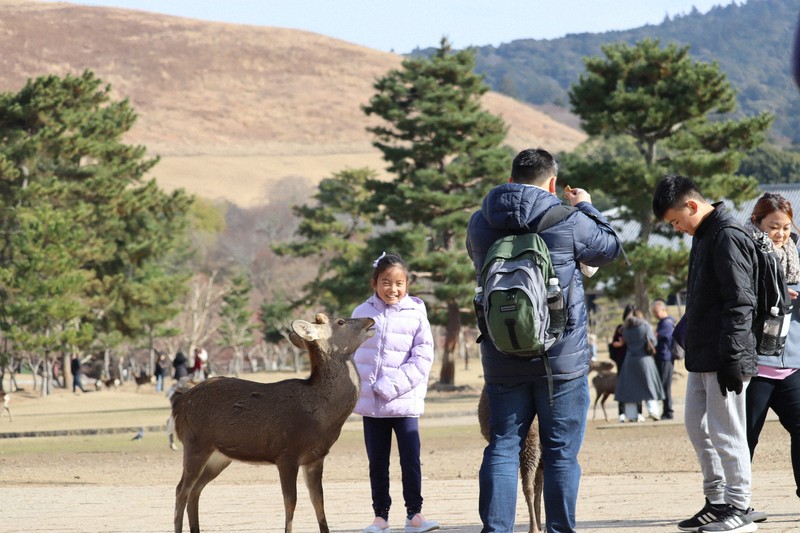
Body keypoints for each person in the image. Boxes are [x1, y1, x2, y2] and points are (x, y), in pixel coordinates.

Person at [466, 147, 622, 533]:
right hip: (561, 359)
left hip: (502, 357)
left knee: (502, 448)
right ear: (552, 182)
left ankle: (496, 529)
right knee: (560, 454)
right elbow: (610, 247)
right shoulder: (567, 218)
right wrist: (586, 206)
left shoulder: (480, 223)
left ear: (510, 179)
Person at [652, 174, 759, 533]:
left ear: (692, 205)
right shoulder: (704, 234)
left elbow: (741, 301)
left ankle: (740, 506)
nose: (677, 228)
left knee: (726, 431)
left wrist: (732, 356)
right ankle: (717, 501)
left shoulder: (727, 234)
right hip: (701, 355)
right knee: (698, 428)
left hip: (724, 355)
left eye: (676, 220)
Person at [351, 252, 439, 533]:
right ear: (374, 283)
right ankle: (380, 516)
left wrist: (388, 387)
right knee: (377, 463)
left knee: (410, 460)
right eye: (386, 282)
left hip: (404, 403)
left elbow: (423, 359)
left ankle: (415, 514)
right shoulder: (360, 314)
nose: (393, 289)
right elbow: (349, 356)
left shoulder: (416, 314)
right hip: (372, 406)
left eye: (399, 283)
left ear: (407, 284)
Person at [745, 192, 800, 519]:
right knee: (745, 438)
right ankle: (736, 501)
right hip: (755, 366)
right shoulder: (746, 252)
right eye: (773, 226)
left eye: (785, 227)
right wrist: (774, 293)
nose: (779, 233)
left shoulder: (796, 254)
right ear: (757, 222)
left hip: (792, 363)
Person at [613, 308, 664, 422]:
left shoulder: (625, 328)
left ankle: (631, 415)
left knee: (630, 388)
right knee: (649, 386)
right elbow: (653, 342)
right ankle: (653, 411)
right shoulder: (645, 326)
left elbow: (623, 340)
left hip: (629, 360)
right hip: (644, 359)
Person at [609, 304, 638, 422]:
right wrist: (618, 344)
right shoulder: (620, 328)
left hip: (635, 359)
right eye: (628, 315)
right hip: (622, 360)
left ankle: (637, 412)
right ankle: (621, 413)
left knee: (636, 386)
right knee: (621, 386)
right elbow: (614, 343)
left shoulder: (639, 327)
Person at [652, 299, 677, 420]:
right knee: (663, 385)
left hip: (665, 358)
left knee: (665, 385)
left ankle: (668, 411)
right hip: (662, 357)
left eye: (656, 312)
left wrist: (655, 335)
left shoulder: (666, 324)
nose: (655, 315)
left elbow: (663, 338)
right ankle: (665, 410)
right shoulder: (663, 323)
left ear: (663, 310)